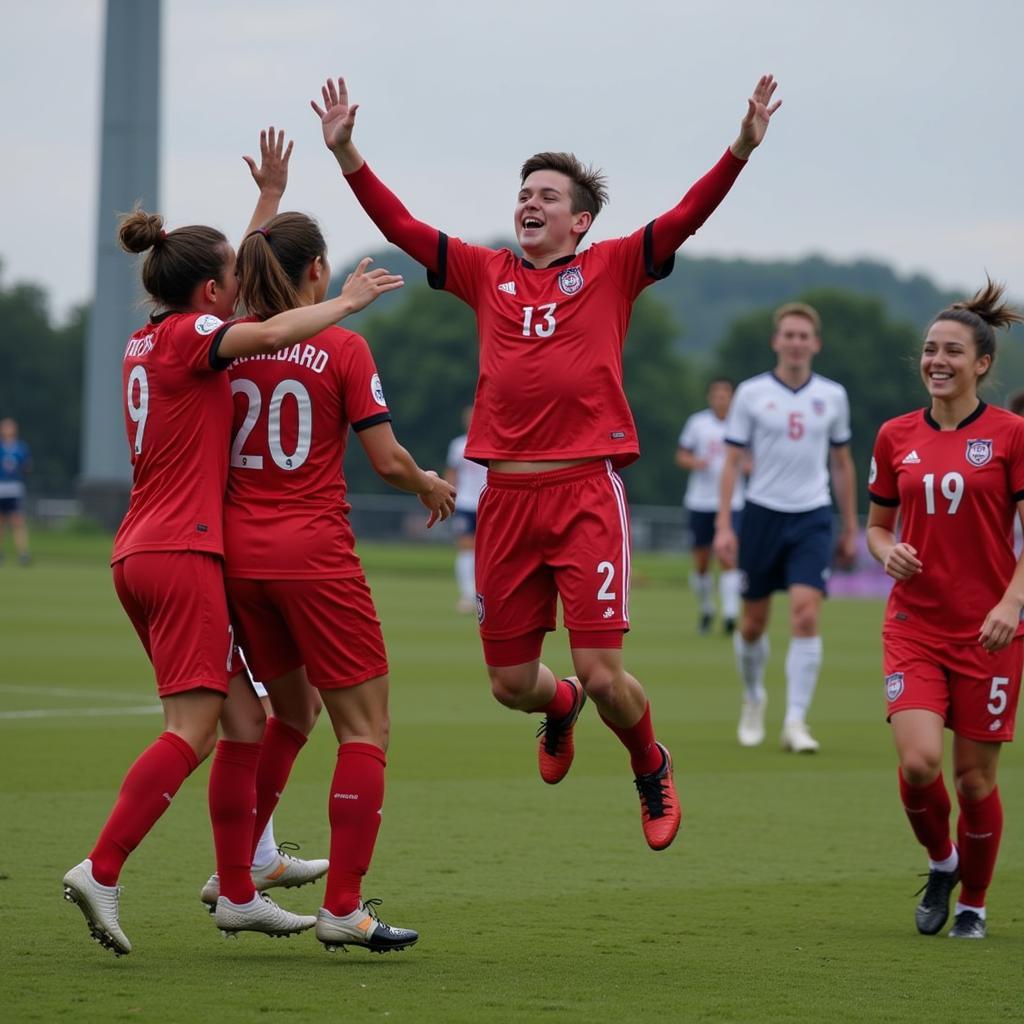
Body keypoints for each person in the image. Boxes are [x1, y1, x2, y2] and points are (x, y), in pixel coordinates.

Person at [312, 72, 782, 851]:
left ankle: (649, 763)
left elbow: (689, 215)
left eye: (548, 195)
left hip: (584, 495)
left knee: (606, 673)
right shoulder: (483, 272)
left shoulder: (613, 267)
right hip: (502, 499)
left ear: (581, 219)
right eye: (524, 192)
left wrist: (739, 148)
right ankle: (558, 707)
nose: (529, 202)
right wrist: (347, 152)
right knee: (509, 686)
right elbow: (399, 224)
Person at [62, 128, 405, 956]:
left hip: (145, 549)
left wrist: (269, 200)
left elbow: (237, 291)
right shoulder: (196, 340)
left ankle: (241, 889)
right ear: (210, 290)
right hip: (184, 555)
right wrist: (349, 306)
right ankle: (102, 869)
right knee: (195, 729)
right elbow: (274, 327)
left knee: (250, 723)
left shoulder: (146, 338)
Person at [220, 210, 455, 952]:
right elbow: (386, 461)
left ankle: (242, 870)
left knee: (291, 710)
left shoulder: (223, 342)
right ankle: (343, 908)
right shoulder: (343, 346)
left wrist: (267, 198)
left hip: (237, 559)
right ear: (319, 272)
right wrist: (427, 484)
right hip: (314, 557)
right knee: (367, 728)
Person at [867, 281, 1024, 940]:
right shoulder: (894, 435)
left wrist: (1012, 604)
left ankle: (974, 905)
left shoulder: (1012, 435)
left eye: (953, 351)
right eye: (931, 349)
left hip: (991, 633)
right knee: (920, 762)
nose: (938, 360)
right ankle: (943, 862)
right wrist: (885, 551)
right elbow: (875, 526)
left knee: (975, 779)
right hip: (915, 627)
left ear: (982, 364)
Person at [713, 303, 857, 752]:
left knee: (806, 613)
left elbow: (842, 463)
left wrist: (850, 526)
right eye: (788, 335)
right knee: (753, 623)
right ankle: (754, 697)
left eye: (803, 336)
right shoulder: (752, 394)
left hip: (812, 515)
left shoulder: (832, 396)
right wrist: (724, 525)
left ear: (815, 344)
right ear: (777, 341)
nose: (796, 343)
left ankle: (796, 721)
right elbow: (733, 461)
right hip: (760, 515)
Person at [676, 379, 743, 634]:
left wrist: (749, 466)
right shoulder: (698, 423)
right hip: (700, 500)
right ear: (710, 398)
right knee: (702, 561)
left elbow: (752, 458)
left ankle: (730, 614)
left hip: (732, 501)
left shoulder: (741, 424)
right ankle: (706, 608)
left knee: (728, 556)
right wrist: (695, 462)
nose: (721, 399)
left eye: (725, 395)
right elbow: (681, 454)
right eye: (717, 395)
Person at [446, 405, 489, 614]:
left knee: (489, 551)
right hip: (465, 503)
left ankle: (487, 594)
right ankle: (467, 595)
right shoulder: (458, 445)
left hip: (488, 503)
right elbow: (452, 473)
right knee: (465, 547)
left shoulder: (491, 442)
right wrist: (449, 497)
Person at [0, 417, 32, 565]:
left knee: (17, 521)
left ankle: (23, 553)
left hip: (14, 487)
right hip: (1, 486)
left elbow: (26, 467)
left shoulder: (20, 447)